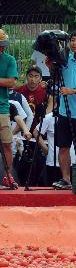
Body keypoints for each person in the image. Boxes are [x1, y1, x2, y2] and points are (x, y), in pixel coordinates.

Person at [48, 29, 76, 189]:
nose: (74, 43)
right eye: (72, 40)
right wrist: (51, 62)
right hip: (64, 111)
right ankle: (66, 179)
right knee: (63, 146)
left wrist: (72, 91)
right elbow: (53, 71)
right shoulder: (66, 59)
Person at [0, 29, 18, 184]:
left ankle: (7, 175)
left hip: (2, 108)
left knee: (7, 143)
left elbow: (11, 82)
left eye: (3, 45)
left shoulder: (9, 60)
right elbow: (7, 81)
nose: (2, 48)